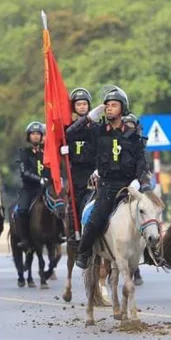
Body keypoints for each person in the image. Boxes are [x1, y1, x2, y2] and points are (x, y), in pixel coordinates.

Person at [73, 87, 152, 270]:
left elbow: (141, 161)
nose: (109, 108)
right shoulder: (97, 131)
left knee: (150, 211)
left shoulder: (133, 135)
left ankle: (152, 251)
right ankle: (84, 252)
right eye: (107, 105)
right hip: (108, 186)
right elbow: (72, 134)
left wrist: (138, 180)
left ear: (122, 109)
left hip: (129, 186)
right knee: (95, 218)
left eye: (113, 105)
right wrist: (88, 118)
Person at [63, 87, 98, 236]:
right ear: (74, 108)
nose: (82, 107)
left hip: (94, 175)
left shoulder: (97, 128)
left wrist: (98, 170)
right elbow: (67, 135)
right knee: (72, 208)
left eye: (84, 104)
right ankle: (71, 235)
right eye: (78, 104)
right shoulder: (69, 129)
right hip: (76, 175)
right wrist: (62, 149)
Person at [15, 121, 50, 249]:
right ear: (28, 136)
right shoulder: (24, 152)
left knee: (59, 206)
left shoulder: (47, 152)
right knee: (21, 210)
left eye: (38, 134)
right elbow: (24, 172)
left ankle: (59, 234)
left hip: (45, 188)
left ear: (42, 136)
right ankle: (24, 238)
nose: (35, 136)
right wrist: (39, 179)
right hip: (30, 188)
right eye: (33, 134)